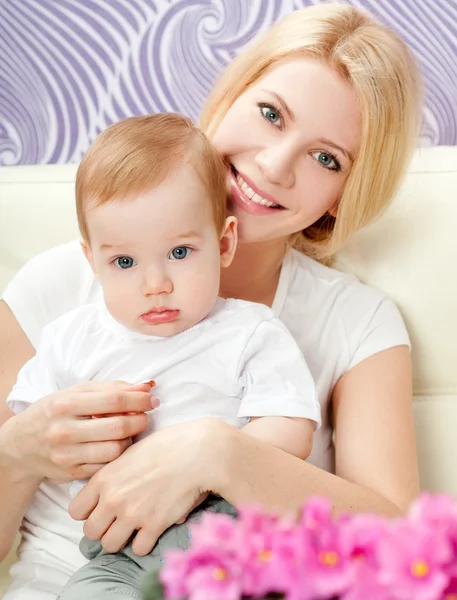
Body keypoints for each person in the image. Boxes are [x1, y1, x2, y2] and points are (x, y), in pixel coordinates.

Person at [0, 4, 422, 599]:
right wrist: (18, 452)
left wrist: (217, 454)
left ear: (344, 194)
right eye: (270, 114)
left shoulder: (356, 324)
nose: (274, 166)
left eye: (327, 158)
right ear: (228, 99)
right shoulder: (60, 285)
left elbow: (400, 550)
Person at [5, 112, 320, 600]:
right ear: (93, 262)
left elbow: (292, 427)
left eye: (179, 253)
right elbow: (27, 435)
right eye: (125, 262)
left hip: (220, 535)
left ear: (223, 244)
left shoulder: (248, 331)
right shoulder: (69, 338)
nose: (156, 285)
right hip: (116, 551)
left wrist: (213, 458)